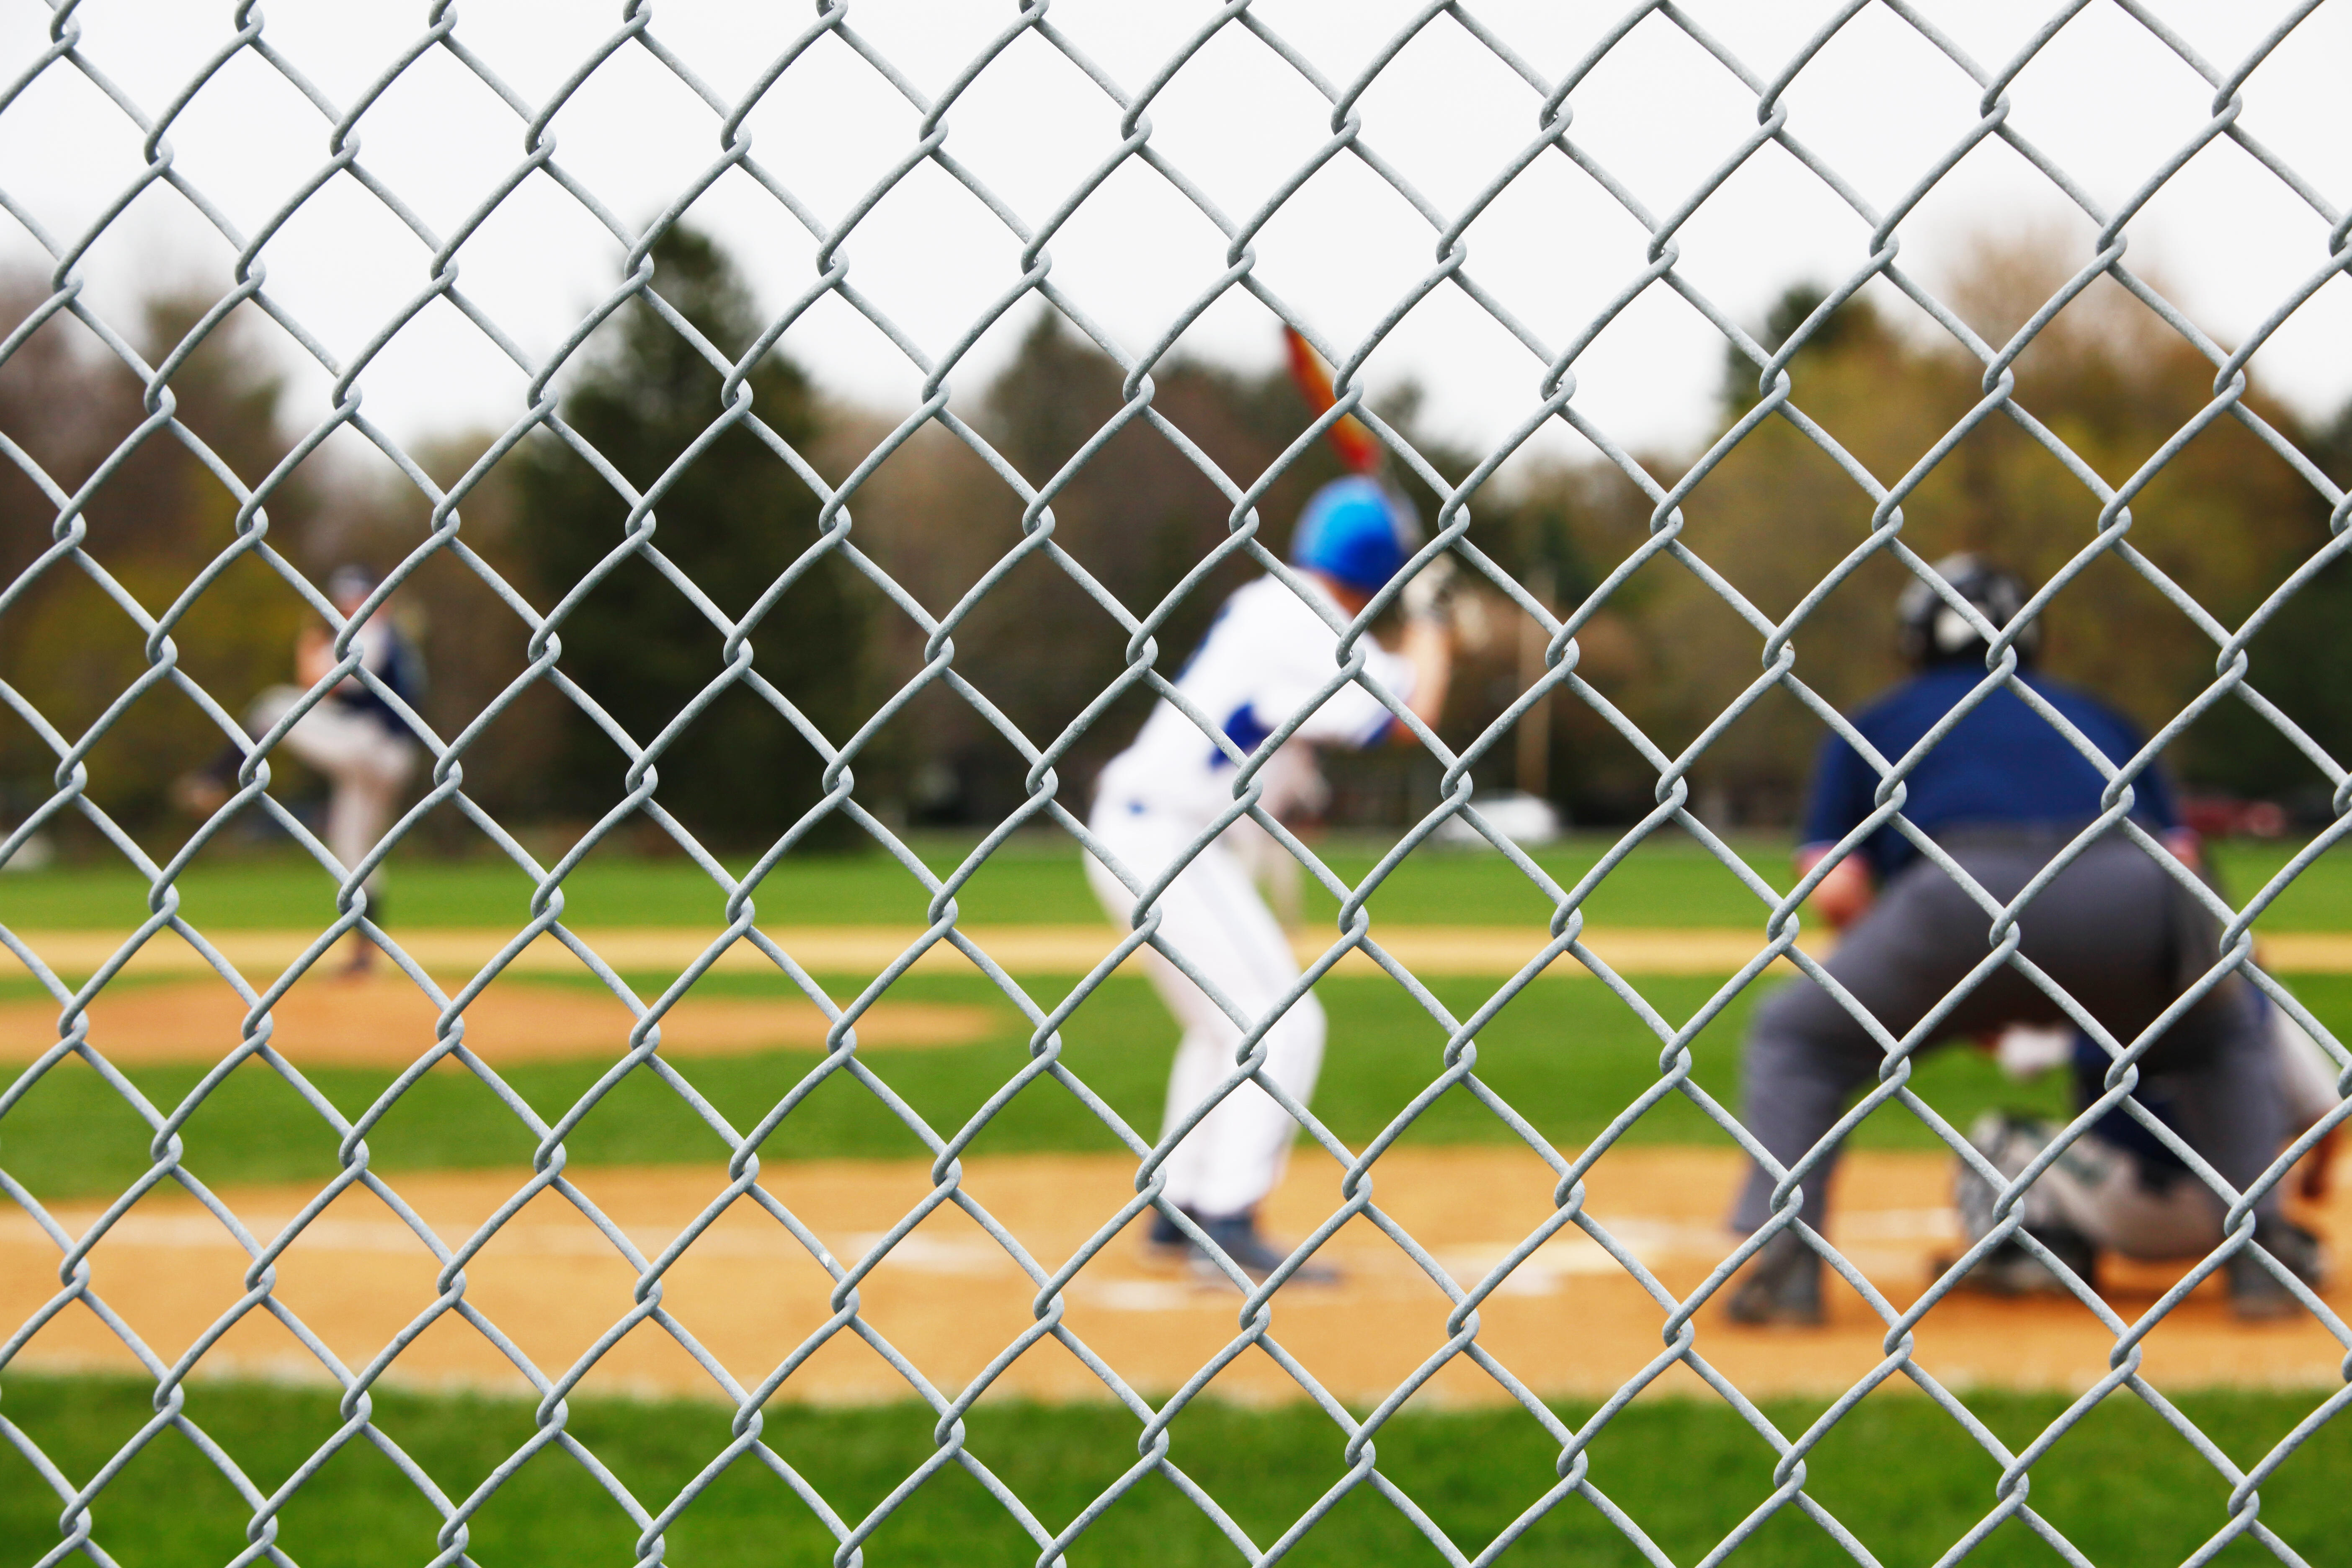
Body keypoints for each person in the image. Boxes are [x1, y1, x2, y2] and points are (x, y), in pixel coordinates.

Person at [1724, 554, 2310, 1323]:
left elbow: (1833, 886)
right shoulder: (2099, 716)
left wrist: (1927, 985)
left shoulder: (1878, 718)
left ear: (1914, 640)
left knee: (1797, 1036)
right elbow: (2185, 863)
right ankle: (2262, 1256)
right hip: (2128, 892)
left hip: (1957, 896)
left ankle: (1787, 1269)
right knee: (2218, 1038)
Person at [1085, 477, 1453, 1283]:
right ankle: (1227, 1219)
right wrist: (1431, 613)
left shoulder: (1277, 605)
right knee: (1282, 1021)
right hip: (1166, 837)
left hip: (1148, 832)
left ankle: (1181, 1209)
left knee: (1225, 1026)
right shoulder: (1307, 622)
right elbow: (1409, 714)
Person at [1952, 993, 2337, 1302]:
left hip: (2128, 1213)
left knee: (1998, 1136)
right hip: (2245, 1209)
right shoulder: (2256, 1006)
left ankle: (2033, 1258)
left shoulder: (2105, 998)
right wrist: (2316, 1180)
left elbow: (2016, 1056)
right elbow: (2326, 1112)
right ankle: (2280, 1250)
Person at [179, 565, 423, 971]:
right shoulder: (389, 636)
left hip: (373, 748)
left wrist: (309, 642)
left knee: (273, 706)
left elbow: (316, 679)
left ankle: (212, 779)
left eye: (357, 598)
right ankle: (365, 952)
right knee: (353, 854)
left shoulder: (373, 633)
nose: (351, 606)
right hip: (382, 754)